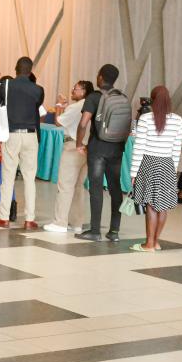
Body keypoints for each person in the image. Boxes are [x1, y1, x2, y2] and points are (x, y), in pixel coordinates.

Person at [75, 64, 131, 242]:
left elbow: (83, 123)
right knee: (115, 188)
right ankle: (114, 231)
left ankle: (95, 231)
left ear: (100, 77)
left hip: (98, 148)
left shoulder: (94, 97)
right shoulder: (122, 97)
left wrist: (79, 144)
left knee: (96, 188)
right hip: (116, 148)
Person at [0, 57, 44, 229]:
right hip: (31, 135)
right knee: (30, 178)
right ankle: (29, 219)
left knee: (8, 177)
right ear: (31, 70)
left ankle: (4, 218)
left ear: (15, 68)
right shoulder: (38, 90)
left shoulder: (4, 85)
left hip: (11, 135)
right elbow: (36, 108)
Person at [129, 86, 182, 252]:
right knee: (163, 206)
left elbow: (139, 147)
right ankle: (155, 242)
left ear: (152, 100)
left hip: (149, 163)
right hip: (167, 164)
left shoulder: (145, 119)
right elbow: (176, 148)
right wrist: (173, 171)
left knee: (151, 205)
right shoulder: (177, 120)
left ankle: (149, 244)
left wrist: (133, 172)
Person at [44, 80, 95, 233]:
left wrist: (59, 105)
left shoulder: (77, 106)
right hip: (87, 148)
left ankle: (60, 222)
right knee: (78, 187)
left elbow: (58, 122)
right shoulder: (91, 104)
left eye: (75, 88)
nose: (72, 90)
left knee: (65, 186)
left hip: (73, 147)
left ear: (83, 91)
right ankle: (76, 223)